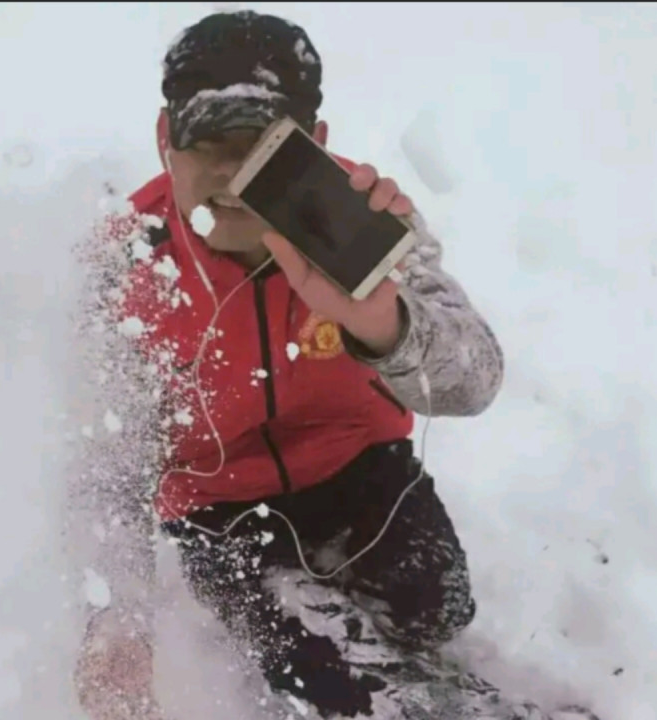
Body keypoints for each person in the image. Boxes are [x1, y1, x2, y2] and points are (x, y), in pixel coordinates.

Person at [73, 9, 507, 720]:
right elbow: (105, 469)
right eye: (207, 143)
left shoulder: (365, 221)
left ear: (314, 143)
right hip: (222, 510)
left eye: (262, 145)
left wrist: (380, 321)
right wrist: (117, 618)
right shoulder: (127, 266)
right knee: (324, 671)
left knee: (437, 610)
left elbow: (476, 380)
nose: (231, 175)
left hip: (360, 468)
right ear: (164, 141)